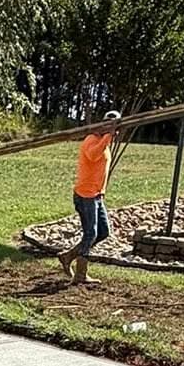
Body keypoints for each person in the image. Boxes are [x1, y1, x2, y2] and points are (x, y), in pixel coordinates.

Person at [61, 111, 120, 284]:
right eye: (109, 124)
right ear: (102, 125)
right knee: (91, 233)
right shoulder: (91, 140)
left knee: (103, 232)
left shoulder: (104, 143)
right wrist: (108, 136)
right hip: (85, 194)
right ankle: (80, 274)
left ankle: (68, 256)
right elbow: (93, 155)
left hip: (96, 195)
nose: (112, 129)